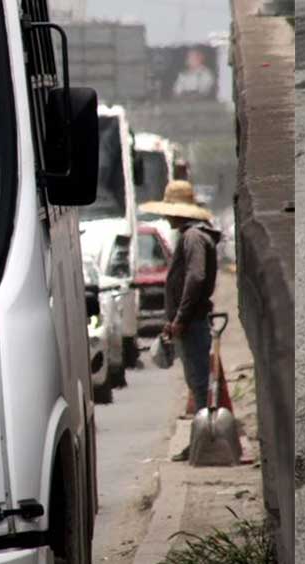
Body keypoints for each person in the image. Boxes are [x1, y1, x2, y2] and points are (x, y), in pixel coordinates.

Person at [138, 180, 221, 462]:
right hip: (190, 321)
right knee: (196, 382)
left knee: (199, 383)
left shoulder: (193, 238)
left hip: (194, 322)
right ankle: (199, 441)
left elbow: (195, 278)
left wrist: (181, 318)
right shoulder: (190, 236)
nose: (166, 216)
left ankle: (203, 444)